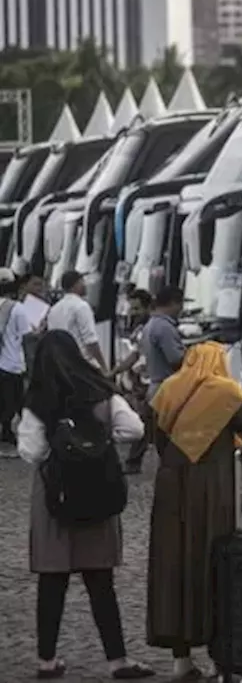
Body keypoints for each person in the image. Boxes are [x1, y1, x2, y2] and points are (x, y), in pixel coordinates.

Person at [17, 330, 154, 679]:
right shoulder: (100, 391)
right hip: (97, 491)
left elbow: (31, 451)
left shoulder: (39, 400)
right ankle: (117, 660)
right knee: (100, 581)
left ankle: (46, 660)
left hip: (55, 498)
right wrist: (100, 444)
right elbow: (135, 429)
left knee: (52, 581)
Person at [147, 342, 242, 680]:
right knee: (212, 564)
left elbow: (154, 437)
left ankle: (181, 661)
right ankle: (221, 658)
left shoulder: (169, 388)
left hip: (171, 488)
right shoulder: (227, 392)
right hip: (211, 491)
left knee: (174, 566)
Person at [109, 288, 157, 474]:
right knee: (147, 420)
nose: (133, 313)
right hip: (141, 382)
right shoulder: (140, 329)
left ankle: (134, 461)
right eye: (132, 308)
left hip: (151, 382)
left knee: (146, 420)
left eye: (137, 309)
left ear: (148, 308)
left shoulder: (153, 328)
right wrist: (115, 371)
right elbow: (134, 355)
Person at [0, 267, 38, 458]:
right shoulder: (17, 308)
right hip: (12, 364)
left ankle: (8, 436)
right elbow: (28, 338)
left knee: (7, 405)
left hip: (2, 366)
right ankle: (24, 440)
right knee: (21, 405)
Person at [46, 271, 106, 370]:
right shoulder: (81, 306)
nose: (85, 285)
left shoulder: (53, 310)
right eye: (82, 282)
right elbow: (90, 341)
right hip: (80, 364)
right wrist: (103, 366)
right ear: (76, 284)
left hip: (59, 364)